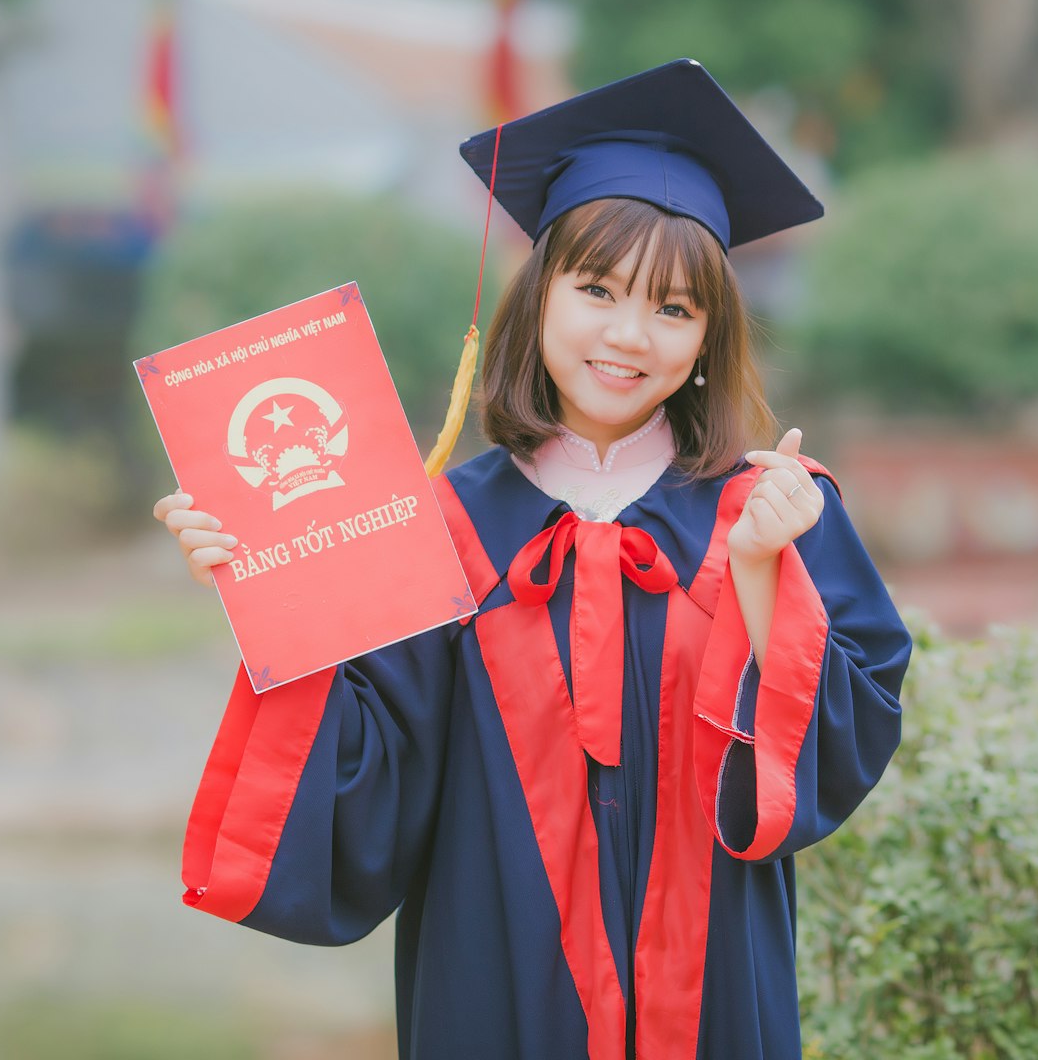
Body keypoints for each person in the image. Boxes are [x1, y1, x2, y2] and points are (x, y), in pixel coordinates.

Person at [154, 60, 911, 1059]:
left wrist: (765, 570)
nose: (629, 335)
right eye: (596, 289)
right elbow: (367, 790)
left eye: (675, 309)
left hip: (713, 984)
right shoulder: (441, 527)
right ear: (539, 291)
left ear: (710, 333)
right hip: (491, 982)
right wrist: (273, 589)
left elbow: (830, 758)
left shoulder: (767, 508)